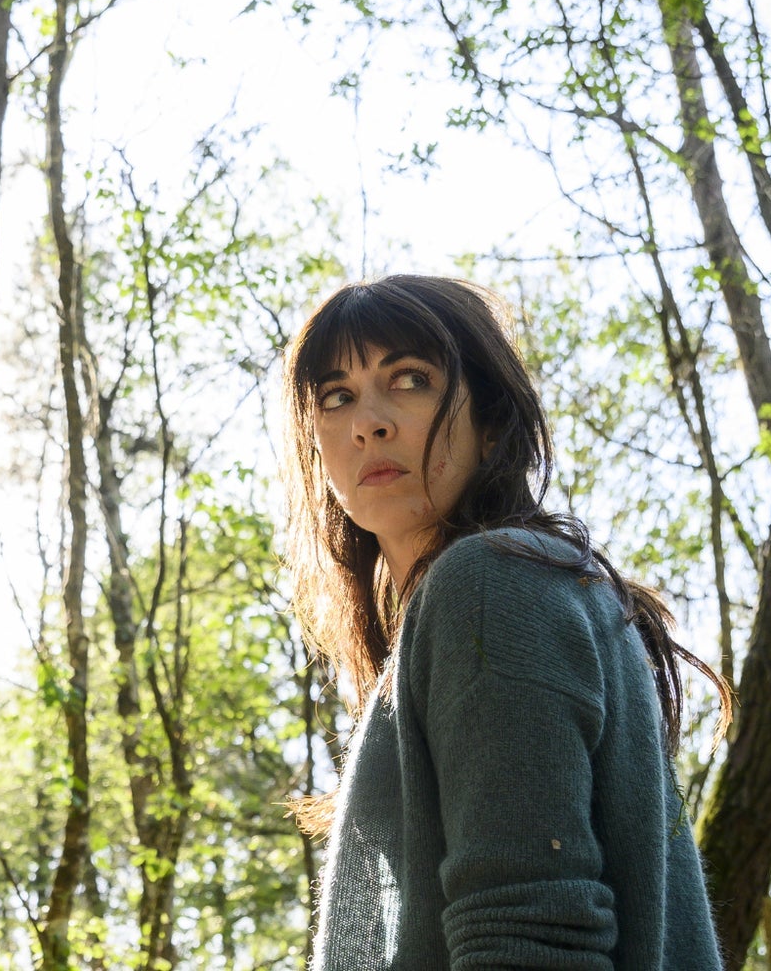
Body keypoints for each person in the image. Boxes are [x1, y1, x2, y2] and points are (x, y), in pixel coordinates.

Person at [278, 275, 731, 969]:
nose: (368, 419)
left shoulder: (493, 586)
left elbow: (529, 941)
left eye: (410, 379)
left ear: (491, 424)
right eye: (336, 397)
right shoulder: (506, 594)